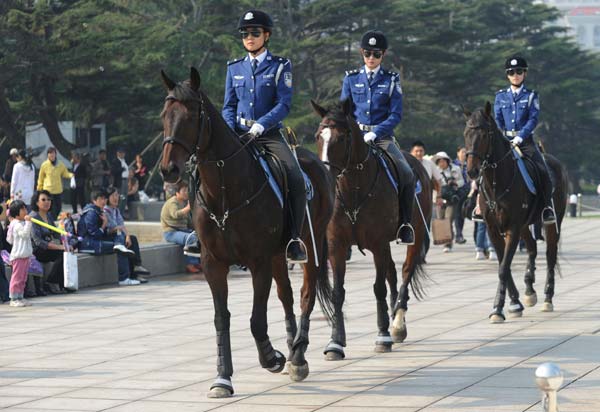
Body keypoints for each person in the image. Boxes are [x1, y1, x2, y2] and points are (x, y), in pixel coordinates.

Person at [222, 9, 307, 262]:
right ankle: (199, 233)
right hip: (238, 133)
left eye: (255, 33)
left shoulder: (281, 66)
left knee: (294, 176)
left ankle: (293, 237)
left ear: (266, 36)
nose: (249, 37)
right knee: (203, 169)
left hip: (267, 134)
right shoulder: (234, 67)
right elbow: (228, 105)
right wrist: (229, 130)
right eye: (245, 34)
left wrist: (260, 124)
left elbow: (283, 104)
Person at [339, 30, 415, 244]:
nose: (371, 58)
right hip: (355, 138)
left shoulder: (391, 79)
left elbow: (396, 114)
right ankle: (335, 223)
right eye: (367, 54)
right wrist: (355, 133)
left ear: (383, 55)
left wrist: (375, 132)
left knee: (406, 172)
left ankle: (405, 224)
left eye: (376, 54)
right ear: (362, 53)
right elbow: (345, 112)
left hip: (381, 138)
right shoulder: (351, 78)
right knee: (333, 169)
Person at [493, 55, 555, 225]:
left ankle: (546, 208)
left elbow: (533, 119)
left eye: (519, 71)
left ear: (525, 74)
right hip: (505, 141)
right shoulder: (500, 97)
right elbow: (497, 119)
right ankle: (479, 206)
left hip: (525, 141)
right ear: (507, 75)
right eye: (511, 72)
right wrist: (504, 138)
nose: (515, 75)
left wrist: (520, 137)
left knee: (543, 171)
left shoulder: (531, 96)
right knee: (485, 167)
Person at [77, 190, 139, 286]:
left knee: (120, 236)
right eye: (101, 199)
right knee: (121, 249)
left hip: (95, 242)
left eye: (105, 199)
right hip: (89, 245)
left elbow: (104, 232)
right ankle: (124, 278)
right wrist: (104, 224)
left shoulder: (98, 211)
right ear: (94, 200)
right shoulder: (91, 213)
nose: (104, 201)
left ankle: (131, 273)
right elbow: (94, 233)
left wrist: (112, 230)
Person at [104, 186, 150, 282]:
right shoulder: (106, 211)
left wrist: (127, 235)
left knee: (132, 239)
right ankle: (129, 275)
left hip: (118, 235)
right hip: (109, 237)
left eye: (117, 195)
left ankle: (136, 269)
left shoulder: (116, 210)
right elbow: (112, 227)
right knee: (125, 245)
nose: (116, 198)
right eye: (113, 196)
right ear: (107, 198)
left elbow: (121, 225)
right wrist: (122, 231)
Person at [30, 190, 71, 294]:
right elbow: (38, 242)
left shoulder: (48, 216)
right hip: (37, 250)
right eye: (43, 200)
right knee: (62, 253)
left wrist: (66, 244)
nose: (47, 202)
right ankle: (51, 282)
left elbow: (56, 234)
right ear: (36, 202)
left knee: (67, 252)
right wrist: (59, 247)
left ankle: (63, 284)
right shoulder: (33, 217)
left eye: (49, 200)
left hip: (48, 247)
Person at [160, 181, 202, 274]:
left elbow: (188, 221)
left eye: (187, 190)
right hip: (171, 232)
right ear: (177, 192)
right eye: (184, 190)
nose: (186, 193)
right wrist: (188, 208)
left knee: (200, 236)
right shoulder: (173, 202)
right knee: (191, 238)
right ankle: (190, 264)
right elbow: (175, 215)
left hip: (182, 230)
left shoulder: (184, 202)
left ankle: (199, 262)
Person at [433, 151, 465, 253]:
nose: (442, 163)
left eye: (443, 161)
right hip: (440, 198)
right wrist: (437, 197)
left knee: (448, 220)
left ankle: (448, 243)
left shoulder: (455, 169)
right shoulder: (435, 171)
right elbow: (433, 186)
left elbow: (462, 181)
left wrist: (455, 183)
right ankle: (446, 239)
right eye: (439, 161)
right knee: (441, 219)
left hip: (452, 198)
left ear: (447, 161)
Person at [6, 200, 33, 307]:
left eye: (25, 208)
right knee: (17, 278)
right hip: (18, 256)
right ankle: (14, 298)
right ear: (16, 212)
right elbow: (25, 234)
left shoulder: (20, 223)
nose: (25, 211)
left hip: (24, 255)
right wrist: (28, 223)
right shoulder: (16, 224)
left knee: (23, 278)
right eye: (23, 209)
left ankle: (20, 296)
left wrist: (26, 223)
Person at [37, 147, 73, 218]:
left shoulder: (60, 164)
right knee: (50, 207)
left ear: (55, 154)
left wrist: (71, 175)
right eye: (50, 154)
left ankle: (54, 218)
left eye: (53, 154)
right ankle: (51, 220)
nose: (51, 155)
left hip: (58, 190)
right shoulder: (44, 165)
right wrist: (39, 188)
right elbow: (40, 177)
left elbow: (65, 173)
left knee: (58, 207)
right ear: (47, 155)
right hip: (48, 190)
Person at [410, 140, 443, 208]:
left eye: (421, 151)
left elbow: (439, 180)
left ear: (424, 152)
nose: (419, 153)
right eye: (416, 151)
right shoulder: (406, 163)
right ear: (411, 152)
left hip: (426, 197)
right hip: (411, 197)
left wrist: (439, 196)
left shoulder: (429, 163)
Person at [452, 146, 469, 244]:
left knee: (463, 214)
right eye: (463, 152)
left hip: (469, 191)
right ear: (458, 153)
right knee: (458, 214)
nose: (464, 154)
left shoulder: (470, 163)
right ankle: (458, 235)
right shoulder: (453, 164)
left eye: (466, 152)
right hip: (457, 192)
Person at [110, 148, 129, 214]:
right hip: (120, 181)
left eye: (123, 153)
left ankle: (122, 213)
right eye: (120, 153)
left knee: (124, 198)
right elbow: (113, 171)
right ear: (117, 153)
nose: (122, 154)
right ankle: (118, 213)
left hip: (126, 180)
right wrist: (121, 169)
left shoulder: (124, 161)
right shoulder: (115, 161)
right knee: (121, 197)